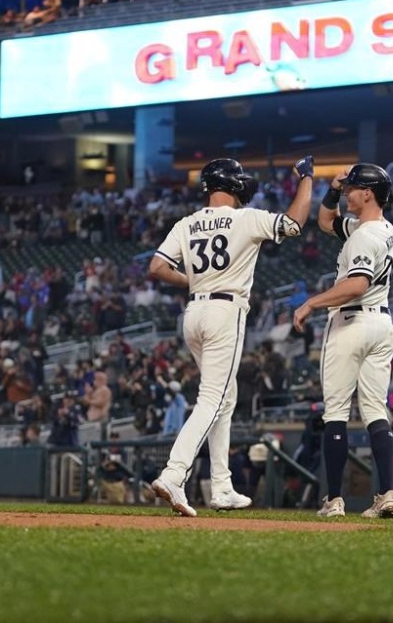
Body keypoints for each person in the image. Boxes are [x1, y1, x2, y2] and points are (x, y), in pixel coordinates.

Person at [148, 156, 313, 516]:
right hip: (225, 311)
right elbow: (295, 224)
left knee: (226, 395)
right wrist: (307, 180)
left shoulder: (186, 223)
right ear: (234, 185)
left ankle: (222, 487)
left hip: (193, 313)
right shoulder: (246, 217)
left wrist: (192, 280)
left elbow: (157, 267)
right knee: (213, 398)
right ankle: (175, 473)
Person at [292, 163, 393, 519]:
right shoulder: (381, 229)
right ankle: (386, 493)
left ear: (367, 194)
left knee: (336, 413)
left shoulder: (364, 237)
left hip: (351, 322)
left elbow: (356, 284)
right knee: (375, 410)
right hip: (381, 325)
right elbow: (326, 222)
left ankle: (334, 499)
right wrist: (335, 190)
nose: (349, 191)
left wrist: (312, 301)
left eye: (354, 187)